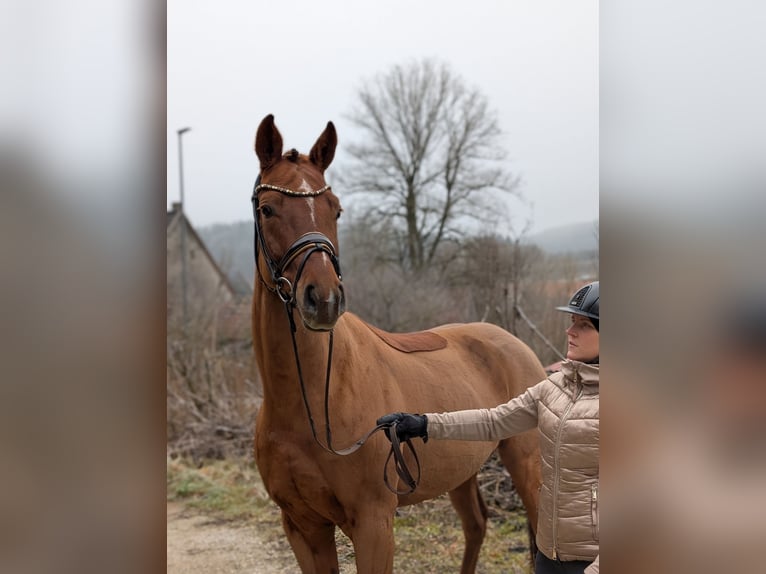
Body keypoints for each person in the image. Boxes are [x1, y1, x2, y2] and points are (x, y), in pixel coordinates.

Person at [378, 282, 600, 574]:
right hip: (550, 554)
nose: (569, 331)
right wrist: (424, 423)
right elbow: (493, 420)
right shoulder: (553, 389)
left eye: (583, 325)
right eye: (571, 322)